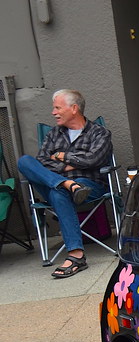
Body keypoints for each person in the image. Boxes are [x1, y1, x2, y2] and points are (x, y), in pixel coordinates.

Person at [17, 89, 112, 279]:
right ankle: (66, 184)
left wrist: (61, 156)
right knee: (24, 161)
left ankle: (76, 255)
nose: (53, 112)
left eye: (57, 108)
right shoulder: (53, 134)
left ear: (74, 108)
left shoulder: (99, 133)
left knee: (58, 192)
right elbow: (42, 161)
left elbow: (93, 160)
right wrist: (69, 173)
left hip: (88, 185)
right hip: (65, 185)